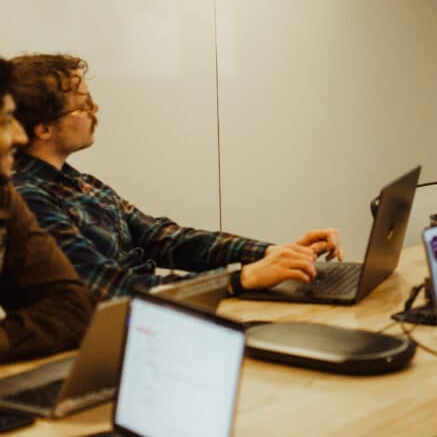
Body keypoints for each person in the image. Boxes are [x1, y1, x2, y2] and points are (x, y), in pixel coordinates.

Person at [10, 54, 343, 301]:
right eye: (83, 106)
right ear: (44, 128)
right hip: (111, 334)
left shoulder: (81, 183)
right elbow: (112, 290)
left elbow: (162, 238)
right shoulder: (29, 198)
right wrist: (240, 279)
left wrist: (268, 253)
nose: (95, 112)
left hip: (148, 317)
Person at [0, 57, 95, 361]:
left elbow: (74, 308)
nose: (18, 136)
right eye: (4, 121)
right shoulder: (28, 191)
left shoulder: (4, 196)